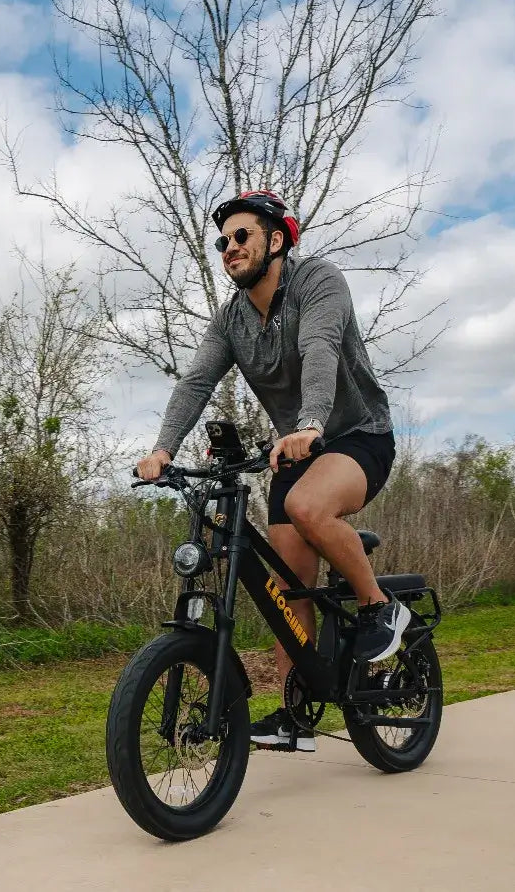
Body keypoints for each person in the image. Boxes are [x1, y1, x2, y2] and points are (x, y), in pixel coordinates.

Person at [134, 189, 405, 753]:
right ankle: (294, 712)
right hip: (295, 452)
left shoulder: (317, 282)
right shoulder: (231, 319)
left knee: (308, 508)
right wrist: (163, 449)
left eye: (242, 236)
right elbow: (196, 383)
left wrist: (309, 422)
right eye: (223, 241)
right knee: (288, 583)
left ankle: (380, 608)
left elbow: (321, 346)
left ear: (277, 239)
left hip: (357, 438)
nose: (229, 247)